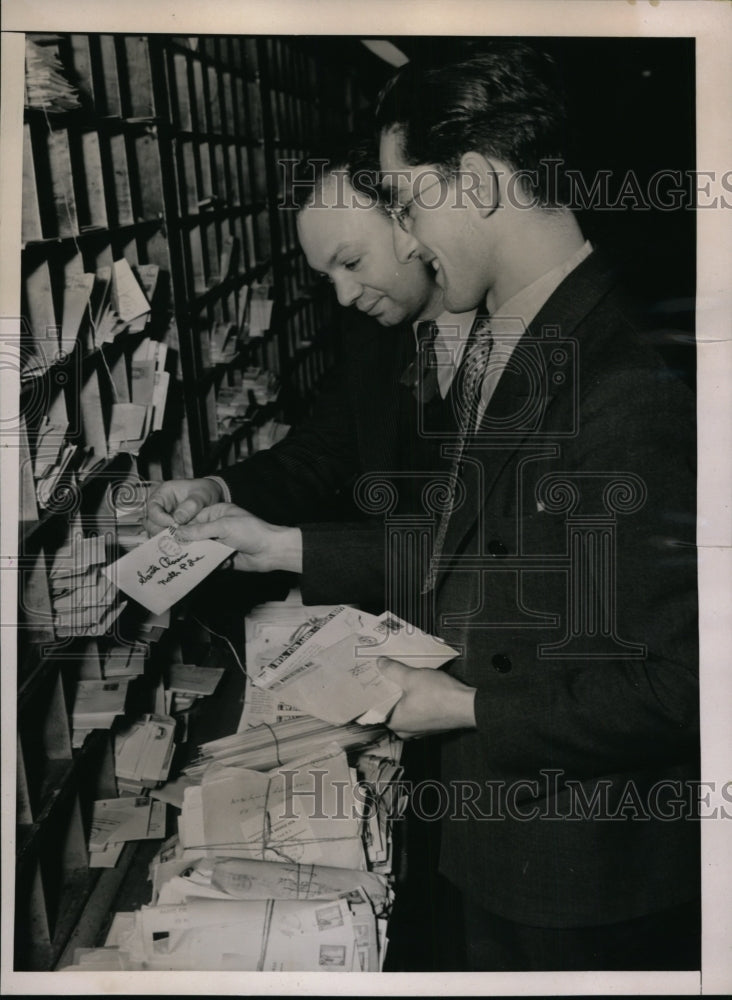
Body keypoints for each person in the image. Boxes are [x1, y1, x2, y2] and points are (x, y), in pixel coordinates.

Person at [370, 43, 700, 971]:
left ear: (474, 181)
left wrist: (468, 706)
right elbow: (499, 546)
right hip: (510, 849)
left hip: (586, 879)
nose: (403, 243)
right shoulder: (523, 332)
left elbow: (687, 685)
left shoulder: (629, 382)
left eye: (404, 203)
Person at [145, 137, 475, 613]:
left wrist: (285, 546)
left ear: (412, 224)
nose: (343, 295)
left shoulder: (518, 341)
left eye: (352, 262)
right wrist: (214, 489)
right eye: (327, 276)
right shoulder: (375, 331)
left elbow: (484, 546)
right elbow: (319, 451)